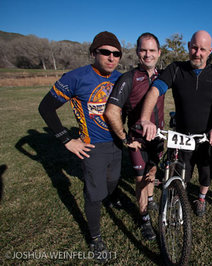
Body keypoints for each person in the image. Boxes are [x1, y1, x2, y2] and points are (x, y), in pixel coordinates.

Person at [38, 31, 123, 260]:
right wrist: (67, 139)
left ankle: (109, 198)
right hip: (92, 147)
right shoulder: (75, 77)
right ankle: (95, 238)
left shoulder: (121, 78)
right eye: (105, 52)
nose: (111, 57)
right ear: (94, 53)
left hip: (117, 144)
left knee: (112, 182)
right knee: (94, 195)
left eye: (116, 54)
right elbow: (45, 108)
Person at [140, 30, 212, 217]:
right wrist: (145, 119)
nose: (198, 52)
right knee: (180, 174)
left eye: (203, 49)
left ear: (209, 51)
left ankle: (201, 198)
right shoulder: (176, 69)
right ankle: (179, 194)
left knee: (207, 172)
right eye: (194, 47)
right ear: (188, 46)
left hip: (206, 137)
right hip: (182, 136)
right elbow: (155, 90)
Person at [104, 32, 163, 241]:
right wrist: (124, 138)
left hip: (158, 137)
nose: (148, 54)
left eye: (152, 50)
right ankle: (144, 218)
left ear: (159, 52)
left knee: (152, 172)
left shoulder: (163, 76)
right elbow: (111, 111)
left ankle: (151, 197)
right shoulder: (128, 78)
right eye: (143, 50)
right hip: (137, 140)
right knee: (140, 180)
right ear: (138, 52)